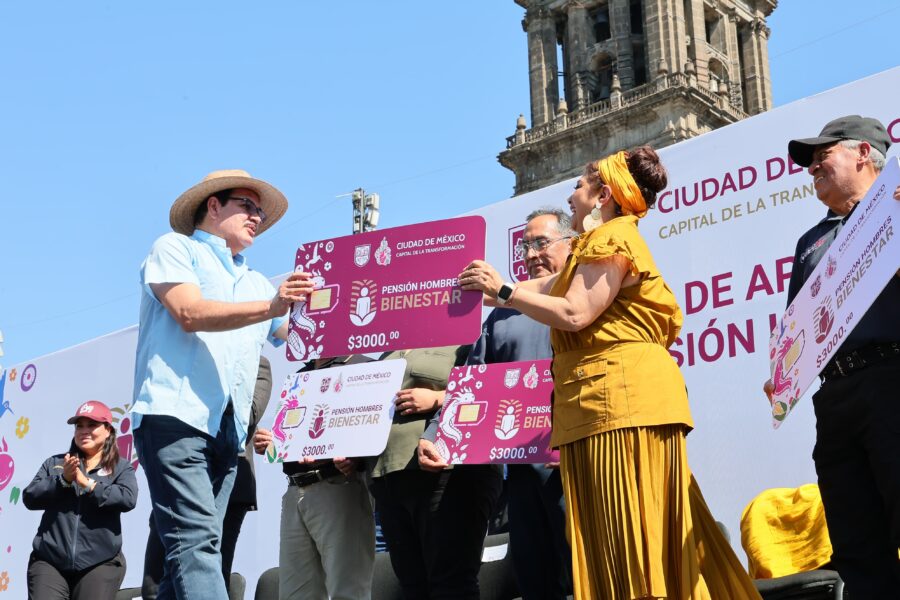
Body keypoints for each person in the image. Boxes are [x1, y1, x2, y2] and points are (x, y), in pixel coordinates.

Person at [457, 146, 761, 598]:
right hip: (601, 406)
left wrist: (501, 288)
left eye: (579, 186)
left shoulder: (612, 238)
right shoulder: (590, 249)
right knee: (624, 539)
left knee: (629, 539)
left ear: (603, 196)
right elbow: (529, 289)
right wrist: (463, 289)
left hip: (620, 404)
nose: (572, 194)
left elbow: (575, 312)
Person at [131, 169, 314, 599]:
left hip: (227, 434)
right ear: (213, 205)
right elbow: (189, 312)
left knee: (193, 556)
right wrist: (271, 306)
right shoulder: (174, 248)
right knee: (196, 545)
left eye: (260, 211)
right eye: (247, 206)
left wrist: (391, 297)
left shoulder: (255, 282)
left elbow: (304, 332)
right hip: (174, 416)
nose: (257, 217)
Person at [764, 115, 900, 596]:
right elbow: (797, 329)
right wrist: (782, 375)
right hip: (835, 397)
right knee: (855, 537)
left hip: (892, 377)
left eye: (824, 154)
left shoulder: (897, 207)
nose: (812, 166)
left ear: (864, 153)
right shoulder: (811, 242)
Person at [421, 207, 574, 600]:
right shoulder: (502, 316)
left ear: (572, 244)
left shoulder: (584, 298)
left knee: (579, 571)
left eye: (542, 243)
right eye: (526, 246)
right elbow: (469, 381)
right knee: (533, 574)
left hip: (575, 461)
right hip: (520, 467)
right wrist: (439, 435)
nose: (531, 254)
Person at [368, 346, 502, 600]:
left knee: (451, 584)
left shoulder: (469, 338)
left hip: (448, 476)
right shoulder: (388, 350)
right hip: (388, 476)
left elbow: (490, 383)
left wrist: (439, 397)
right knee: (412, 586)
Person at [142, 356, 274, 598]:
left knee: (209, 572)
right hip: (177, 475)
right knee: (156, 580)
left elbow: (249, 412)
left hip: (226, 481)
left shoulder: (257, 364)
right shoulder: (190, 355)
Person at [252, 354, 375, 600]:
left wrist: (356, 458)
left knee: (348, 590)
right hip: (294, 490)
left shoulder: (366, 367)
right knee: (295, 594)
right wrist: (273, 442)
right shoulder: (300, 376)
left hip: (338, 486)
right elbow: (295, 432)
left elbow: (375, 426)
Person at [23, 400, 138, 599]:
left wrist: (88, 484)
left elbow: (127, 499)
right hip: (49, 561)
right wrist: (63, 481)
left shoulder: (121, 467)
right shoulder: (55, 463)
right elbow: (30, 497)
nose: (84, 431)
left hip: (100, 562)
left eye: (92, 425)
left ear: (108, 430)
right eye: (79, 426)